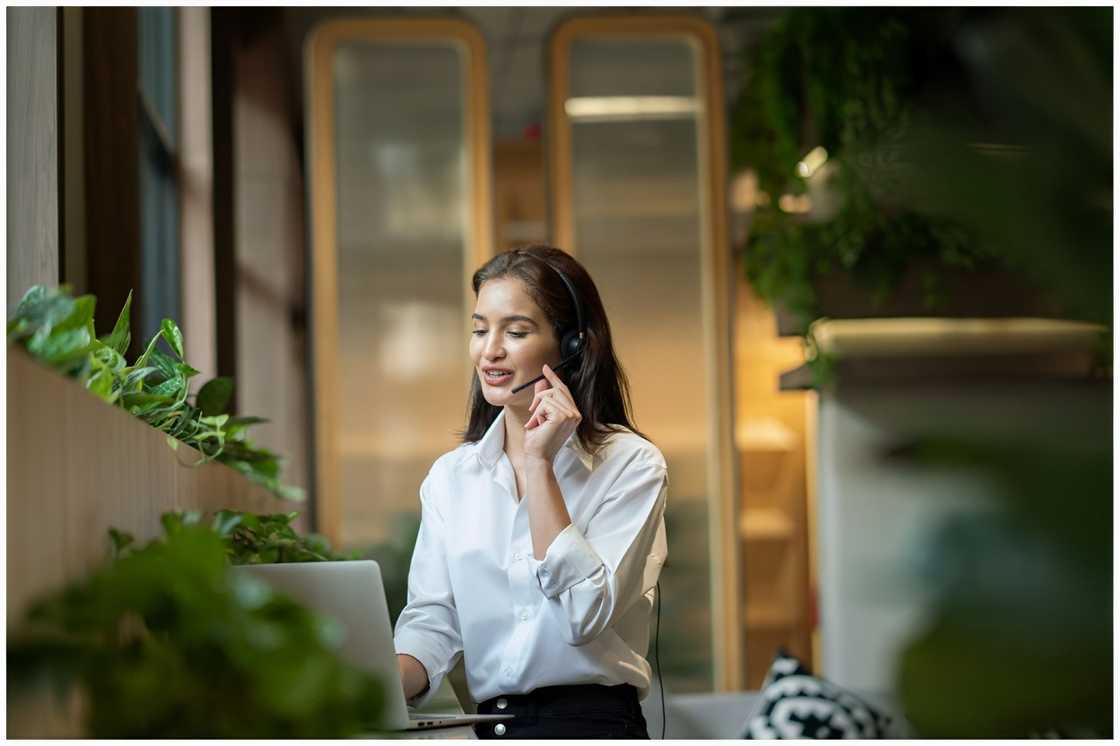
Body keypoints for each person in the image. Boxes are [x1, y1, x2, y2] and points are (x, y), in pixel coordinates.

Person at [394, 245, 669, 739]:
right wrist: (374, 683)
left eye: (515, 332)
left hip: (594, 726)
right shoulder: (451, 478)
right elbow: (434, 620)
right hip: (493, 727)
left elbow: (585, 615)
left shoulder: (631, 465)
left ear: (572, 346)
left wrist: (539, 464)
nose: (489, 350)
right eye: (480, 330)